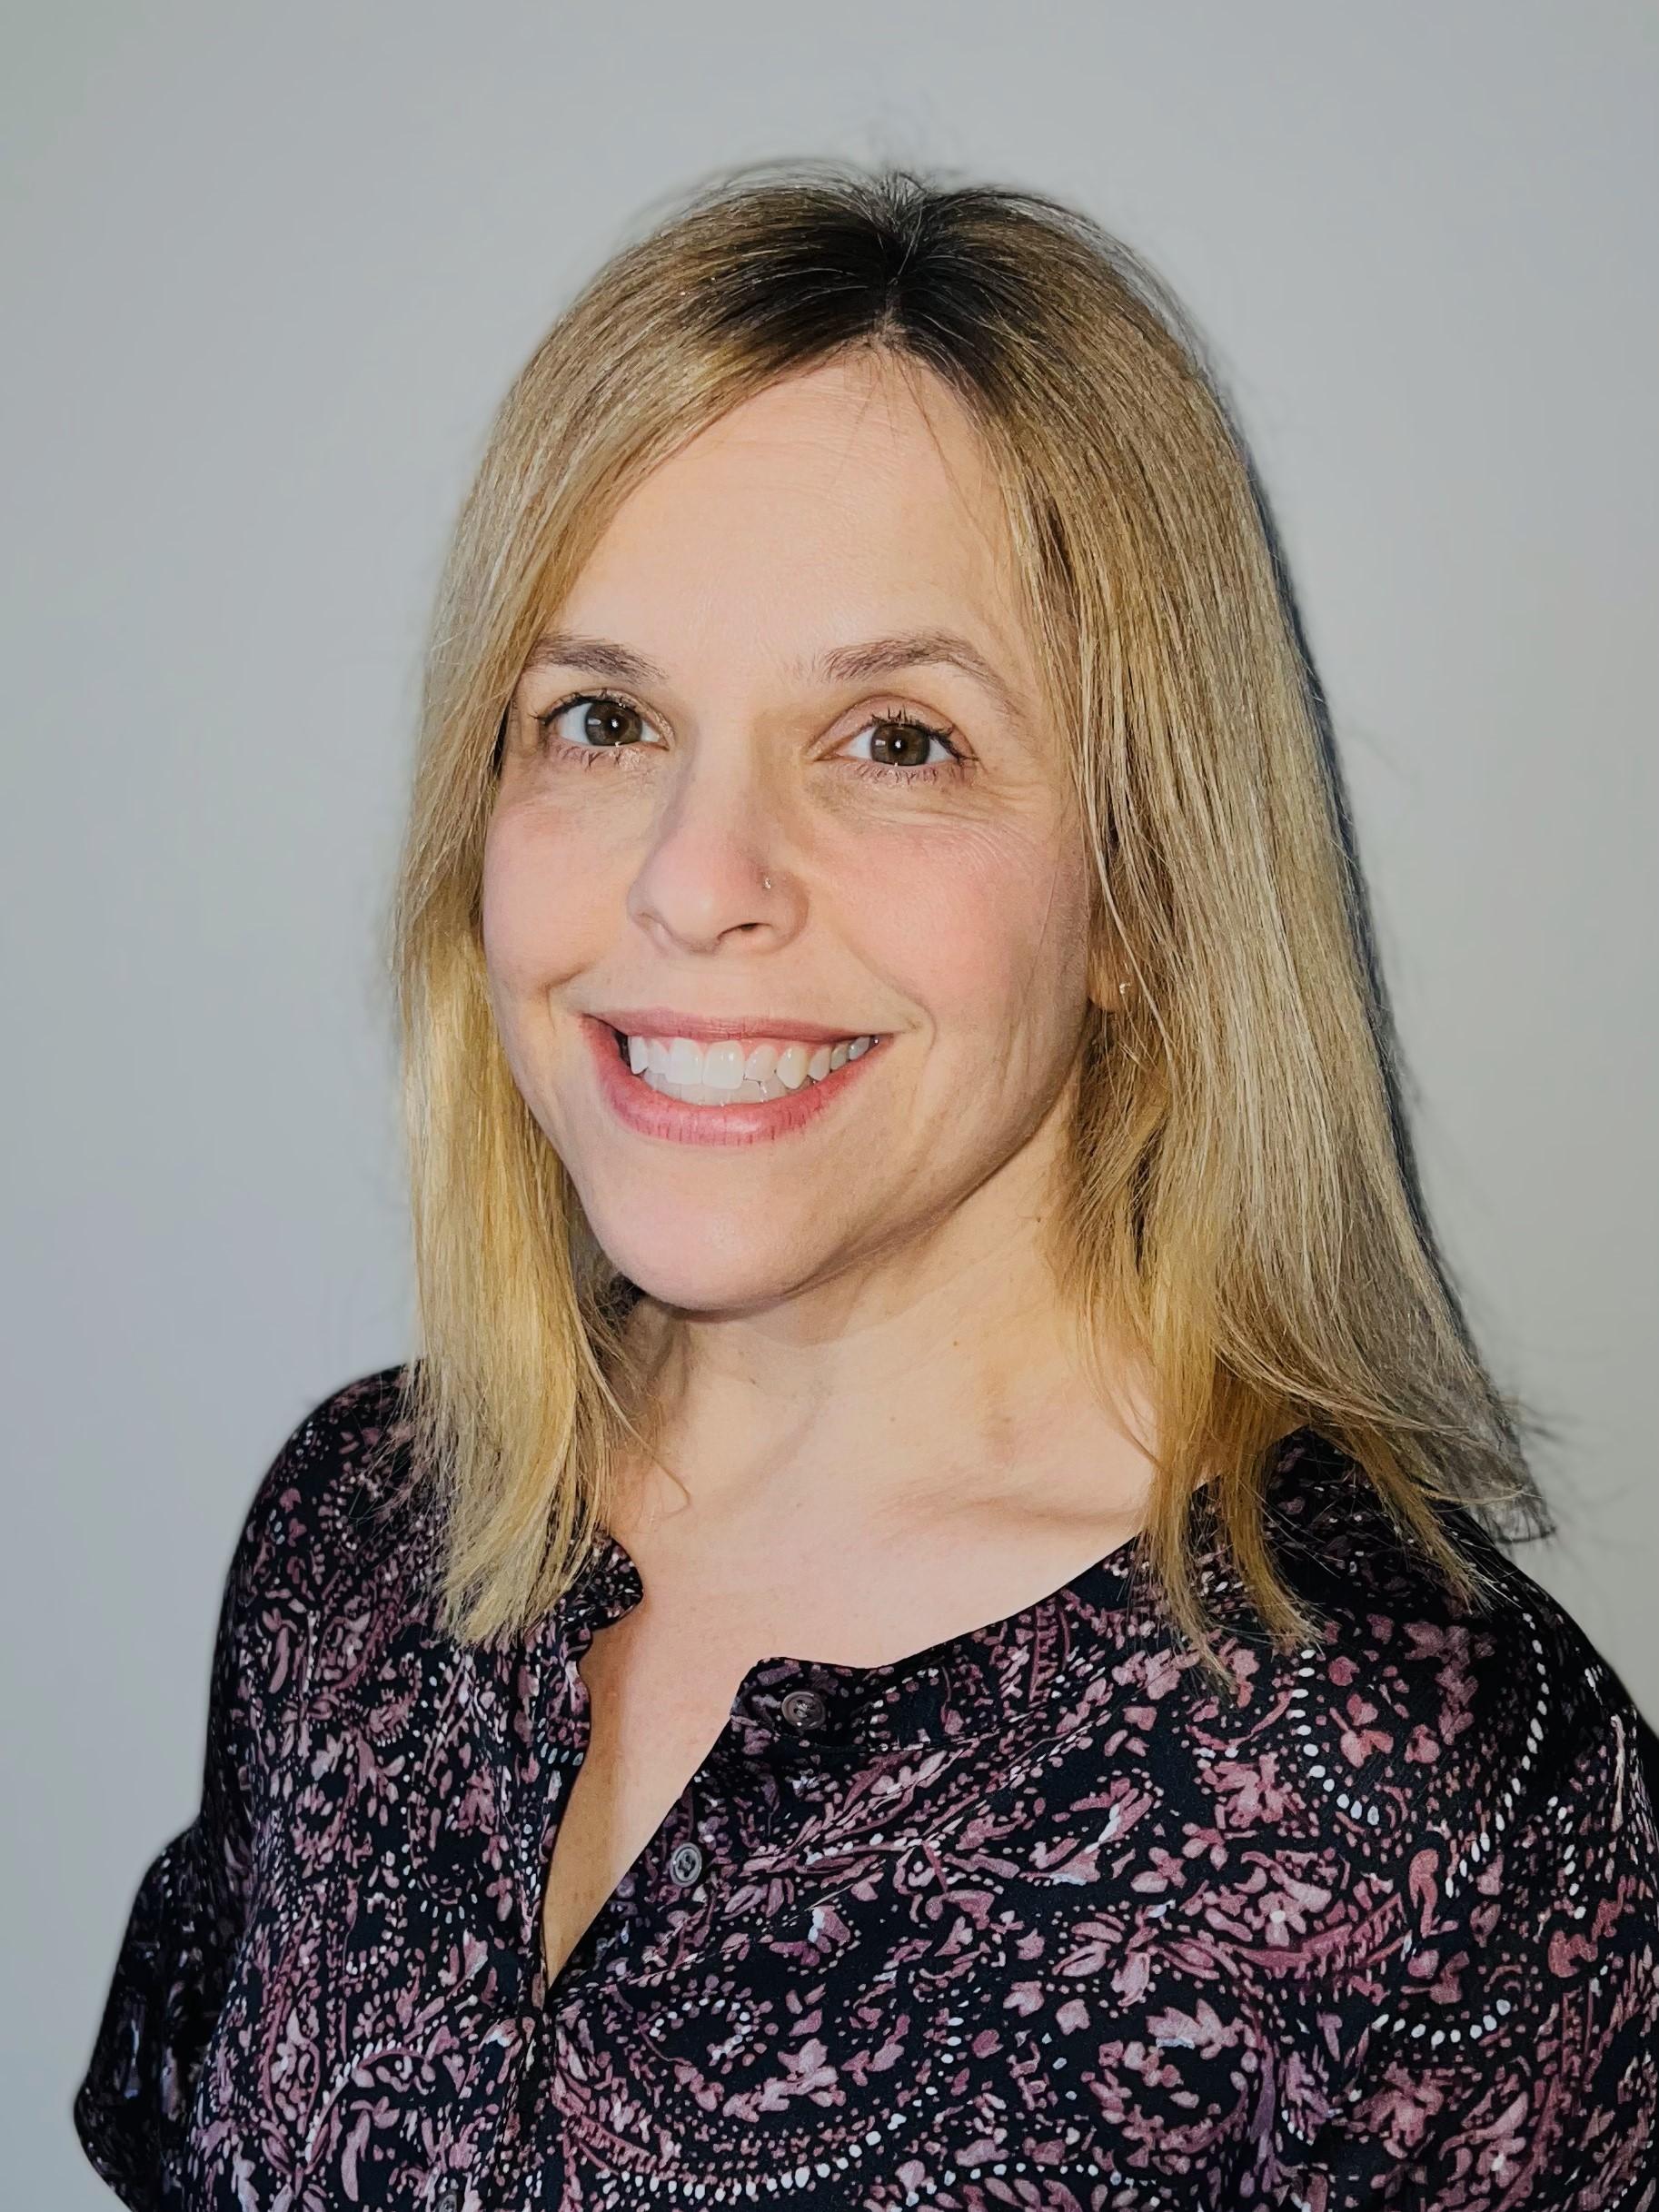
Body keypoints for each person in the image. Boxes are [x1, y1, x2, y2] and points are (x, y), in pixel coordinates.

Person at [74, 159, 1659, 2210]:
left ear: (1138, 892)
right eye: (601, 717)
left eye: (895, 739)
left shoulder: (1418, 1798)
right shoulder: (361, 1544)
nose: (693, 883)